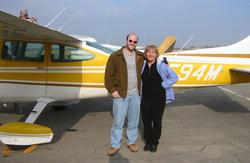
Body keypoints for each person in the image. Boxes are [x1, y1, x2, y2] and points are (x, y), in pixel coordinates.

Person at [105, 33, 144, 156]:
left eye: (135, 42)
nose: (132, 43)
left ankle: (131, 142)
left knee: (133, 120)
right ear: (126, 40)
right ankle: (115, 145)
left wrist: (164, 64)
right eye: (130, 40)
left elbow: (152, 62)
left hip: (135, 94)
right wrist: (112, 90)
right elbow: (108, 76)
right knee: (118, 121)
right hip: (121, 94)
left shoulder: (140, 56)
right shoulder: (115, 56)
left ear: (137, 43)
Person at [141, 45, 178, 152]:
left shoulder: (162, 66)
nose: (150, 54)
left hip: (158, 99)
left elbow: (174, 77)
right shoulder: (142, 65)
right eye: (148, 52)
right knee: (146, 122)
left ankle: (155, 142)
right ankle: (148, 141)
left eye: (153, 52)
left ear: (156, 54)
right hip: (145, 98)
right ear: (145, 54)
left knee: (157, 122)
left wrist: (164, 84)